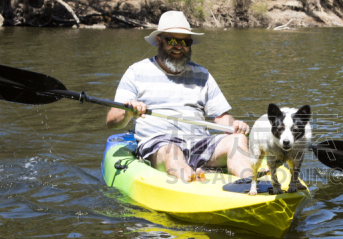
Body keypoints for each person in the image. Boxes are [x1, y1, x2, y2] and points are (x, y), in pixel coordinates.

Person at [106, 11, 251, 182]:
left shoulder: (202, 74)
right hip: (160, 145)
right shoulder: (136, 72)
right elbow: (112, 121)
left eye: (185, 42)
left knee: (238, 140)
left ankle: (251, 182)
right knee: (172, 152)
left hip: (199, 143)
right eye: (172, 40)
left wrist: (234, 126)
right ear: (159, 40)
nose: (179, 46)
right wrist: (128, 112)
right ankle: (191, 183)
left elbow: (220, 117)